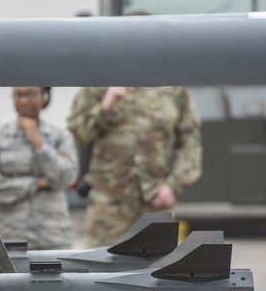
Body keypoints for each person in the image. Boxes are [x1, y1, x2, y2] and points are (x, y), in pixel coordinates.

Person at [67, 86, 202, 246]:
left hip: (156, 201)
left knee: (158, 267)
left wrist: (174, 184)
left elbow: (190, 139)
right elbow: (75, 136)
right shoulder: (99, 85)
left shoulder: (173, 88)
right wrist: (104, 106)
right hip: (109, 203)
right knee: (101, 266)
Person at [0, 87, 79, 249]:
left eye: (30, 94)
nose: (23, 100)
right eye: (18, 95)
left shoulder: (60, 136)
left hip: (53, 237)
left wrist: (37, 141)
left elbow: (66, 177)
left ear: (44, 97)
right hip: (8, 238)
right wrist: (39, 183)